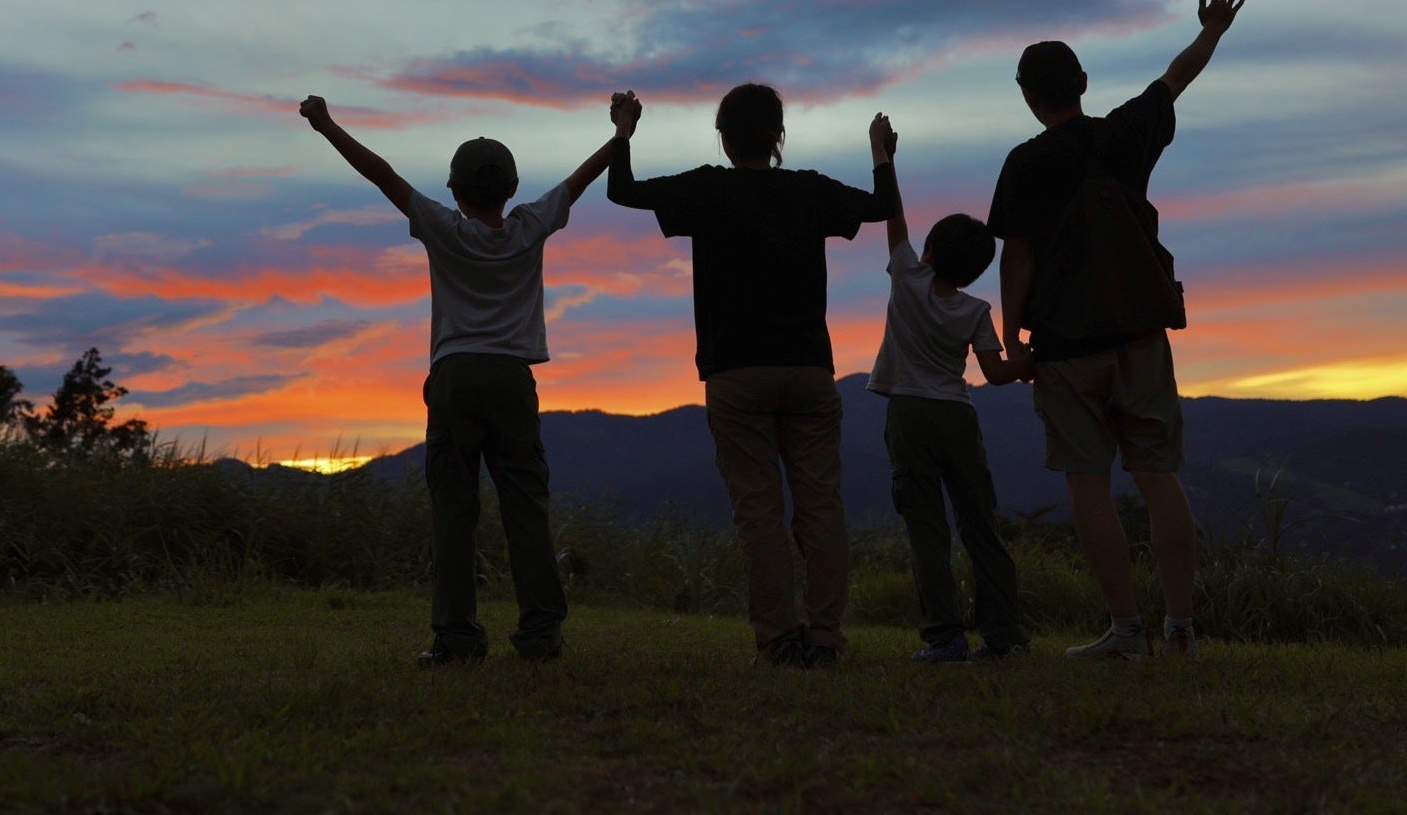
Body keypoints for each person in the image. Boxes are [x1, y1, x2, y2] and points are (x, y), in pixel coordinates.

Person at [300, 94, 617, 665]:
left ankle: (457, 639)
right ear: (511, 188)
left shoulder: (442, 228)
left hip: (454, 376)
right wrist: (622, 133)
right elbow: (580, 179)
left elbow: (383, 175)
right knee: (526, 508)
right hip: (511, 379)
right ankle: (541, 636)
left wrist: (326, 125)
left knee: (453, 511)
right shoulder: (531, 226)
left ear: (454, 191)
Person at [987, 0, 1246, 660]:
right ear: (1082, 82)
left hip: (1065, 345)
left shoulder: (1025, 162)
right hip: (1139, 333)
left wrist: (1013, 339)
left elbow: (1018, 256)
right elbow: (1176, 78)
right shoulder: (1126, 133)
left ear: (1028, 95)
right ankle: (1181, 628)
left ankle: (1125, 631)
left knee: (1087, 483)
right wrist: (1212, 30)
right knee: (1158, 477)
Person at [606, 82, 895, 666]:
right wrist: (881, 152)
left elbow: (622, 191)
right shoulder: (809, 190)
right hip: (809, 368)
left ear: (724, 136)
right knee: (821, 506)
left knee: (759, 511)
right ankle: (825, 635)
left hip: (736, 371)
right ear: (778, 134)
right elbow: (881, 206)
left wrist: (624, 130)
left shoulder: (707, 188)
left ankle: (780, 638)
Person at [861, 111, 1031, 663]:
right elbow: (997, 374)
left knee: (927, 531)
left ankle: (945, 637)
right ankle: (1003, 635)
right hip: (958, 416)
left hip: (909, 416)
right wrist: (1029, 362)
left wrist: (883, 154)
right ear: (976, 270)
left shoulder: (907, 276)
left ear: (930, 250)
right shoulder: (977, 310)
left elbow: (893, 215)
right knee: (981, 526)